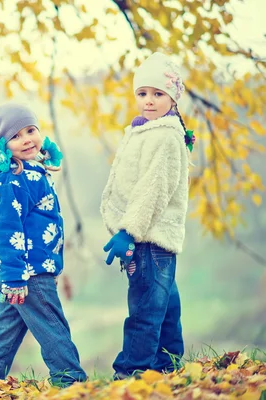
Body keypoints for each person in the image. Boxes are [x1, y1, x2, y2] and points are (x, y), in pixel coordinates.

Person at [0, 103, 87, 388]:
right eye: (16, 136)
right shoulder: (12, 179)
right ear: (3, 145)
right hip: (26, 271)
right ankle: (71, 381)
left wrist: (47, 153)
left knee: (5, 329)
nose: (27, 139)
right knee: (51, 324)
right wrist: (15, 277)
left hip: (26, 269)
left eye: (31, 130)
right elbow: (6, 229)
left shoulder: (30, 170)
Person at [100, 52, 196, 378]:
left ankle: (130, 372)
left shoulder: (165, 136)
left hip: (149, 238)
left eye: (158, 94)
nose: (149, 101)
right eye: (142, 94)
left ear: (173, 97)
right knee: (165, 304)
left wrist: (128, 231)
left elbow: (153, 191)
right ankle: (168, 366)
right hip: (153, 239)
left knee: (144, 309)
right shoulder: (143, 130)